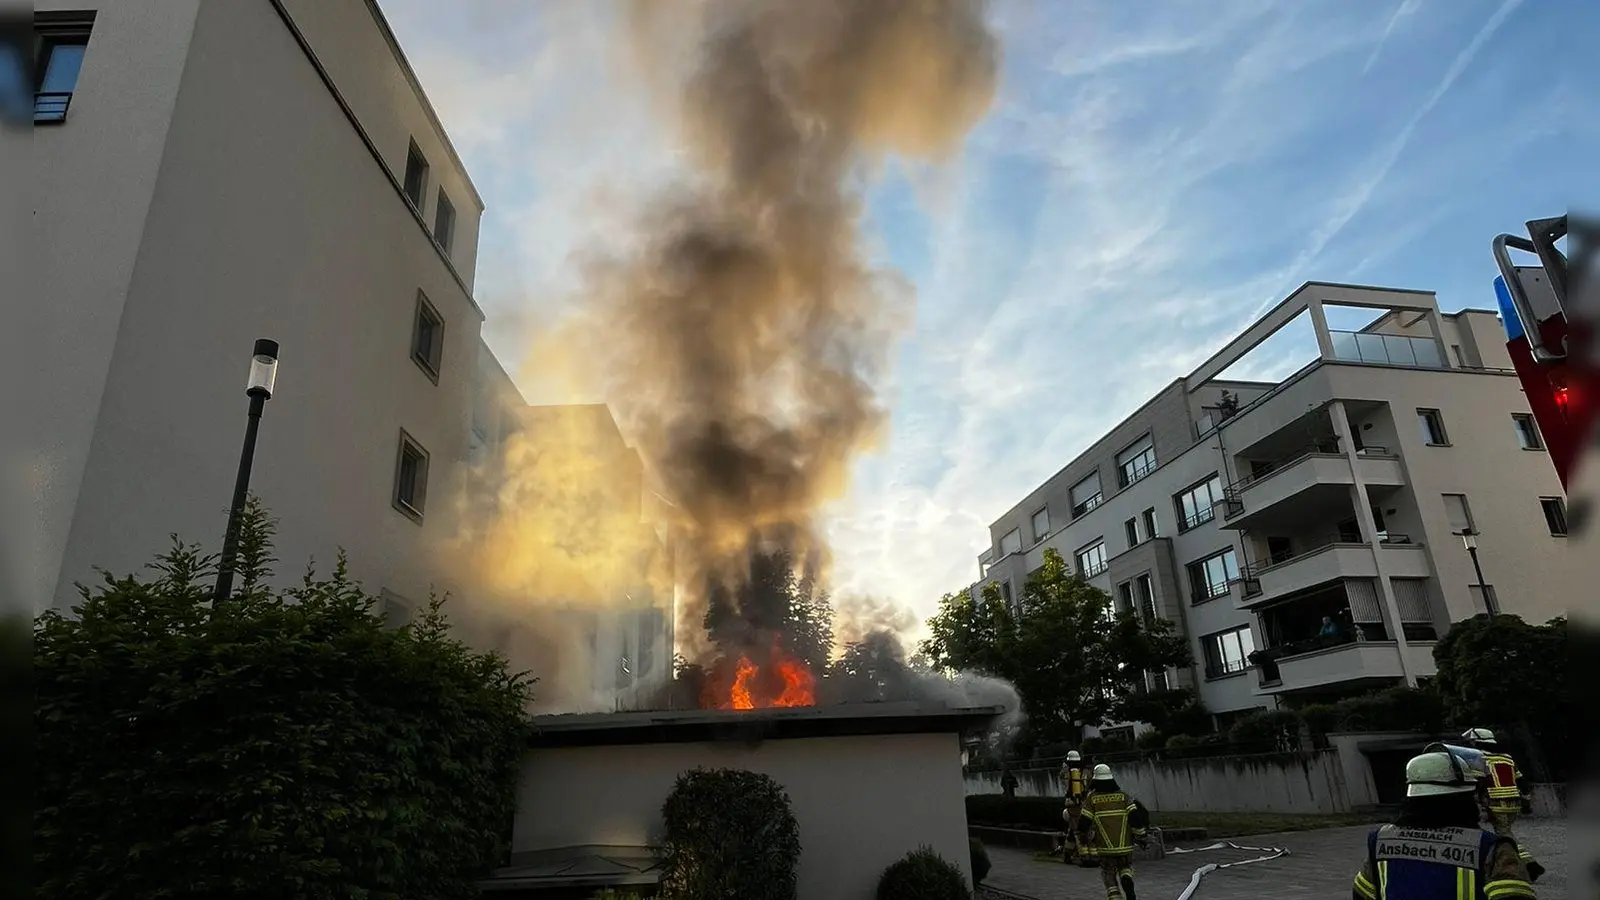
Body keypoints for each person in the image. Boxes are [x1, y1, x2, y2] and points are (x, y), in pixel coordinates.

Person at [1351, 743, 1535, 900]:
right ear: (1462, 799)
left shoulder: (1380, 840)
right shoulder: (1491, 848)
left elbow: (1361, 893)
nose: (1481, 802)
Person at [1463, 727, 1544, 882]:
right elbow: (1521, 781)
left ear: (1477, 742)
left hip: (1496, 803)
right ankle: (1523, 863)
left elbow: (1478, 782)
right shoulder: (1507, 758)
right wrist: (1526, 800)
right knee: (1505, 832)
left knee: (1504, 834)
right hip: (1513, 803)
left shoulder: (1480, 758)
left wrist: (1476, 800)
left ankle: (1529, 865)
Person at [1076, 763, 1148, 900]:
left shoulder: (1092, 798)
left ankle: (1116, 897)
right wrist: (1141, 835)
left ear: (1096, 780)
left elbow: (1084, 821)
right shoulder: (1123, 796)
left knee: (1108, 873)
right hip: (1125, 846)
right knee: (1125, 866)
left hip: (1105, 848)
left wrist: (1082, 837)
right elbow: (1135, 818)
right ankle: (1126, 877)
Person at [1059, 750, 1090, 862]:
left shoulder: (1066, 772)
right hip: (1085, 804)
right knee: (1077, 830)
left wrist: (1064, 767)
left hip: (1072, 804)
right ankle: (1068, 854)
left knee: (1075, 830)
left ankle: (1082, 856)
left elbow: (1062, 778)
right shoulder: (1087, 771)